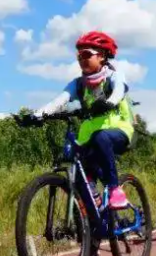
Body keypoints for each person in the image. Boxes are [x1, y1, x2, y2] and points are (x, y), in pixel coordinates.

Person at [32, 30, 135, 211]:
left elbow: (119, 91)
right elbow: (59, 100)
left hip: (119, 129)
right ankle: (92, 219)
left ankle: (114, 190)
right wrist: (38, 115)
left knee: (101, 138)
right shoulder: (79, 83)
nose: (81, 59)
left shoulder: (113, 77)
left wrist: (108, 102)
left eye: (87, 54)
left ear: (102, 56)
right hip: (89, 134)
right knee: (77, 165)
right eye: (79, 56)